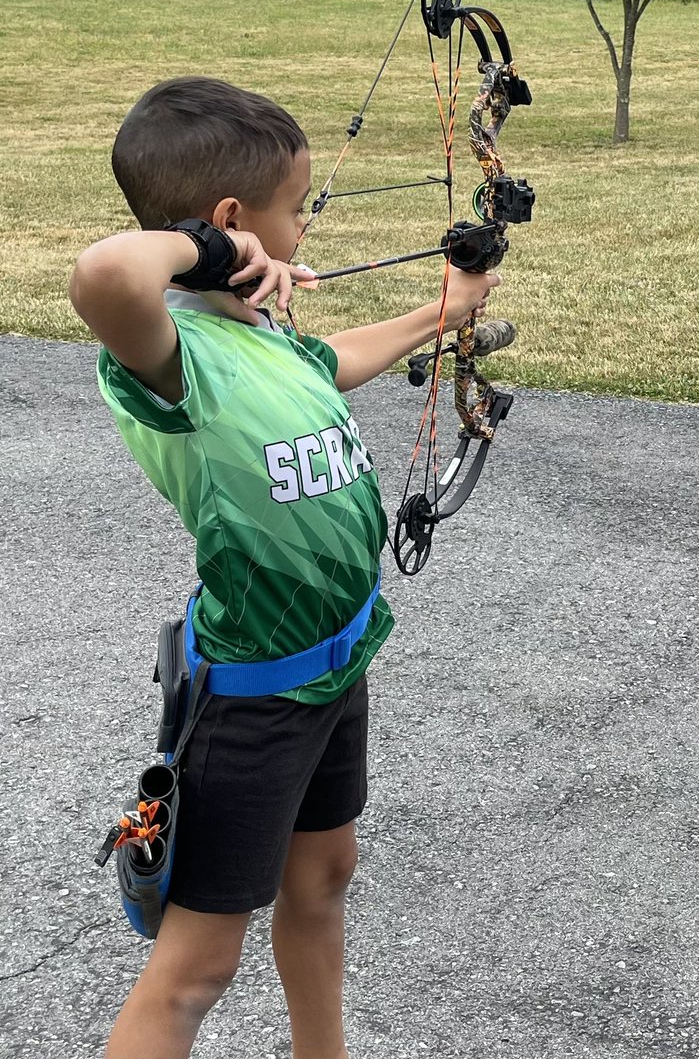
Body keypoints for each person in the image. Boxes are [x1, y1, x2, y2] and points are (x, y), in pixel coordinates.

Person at [69, 75, 499, 1059]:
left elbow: (327, 363)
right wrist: (213, 249)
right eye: (291, 211)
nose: (302, 229)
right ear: (229, 222)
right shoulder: (169, 354)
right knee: (196, 969)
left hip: (333, 667)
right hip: (252, 695)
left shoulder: (260, 333)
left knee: (323, 876)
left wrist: (444, 307)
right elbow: (102, 275)